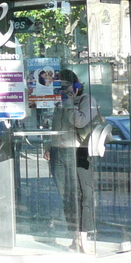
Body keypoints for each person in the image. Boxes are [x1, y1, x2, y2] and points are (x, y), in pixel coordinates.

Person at [48, 68, 98, 251]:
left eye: (65, 86)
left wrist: (69, 103)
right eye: (58, 87)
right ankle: (74, 237)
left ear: (76, 85)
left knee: (83, 195)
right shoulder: (59, 102)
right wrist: (49, 144)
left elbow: (80, 122)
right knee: (67, 196)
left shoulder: (87, 101)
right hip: (58, 151)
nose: (62, 90)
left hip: (78, 152)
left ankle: (84, 238)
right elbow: (55, 126)